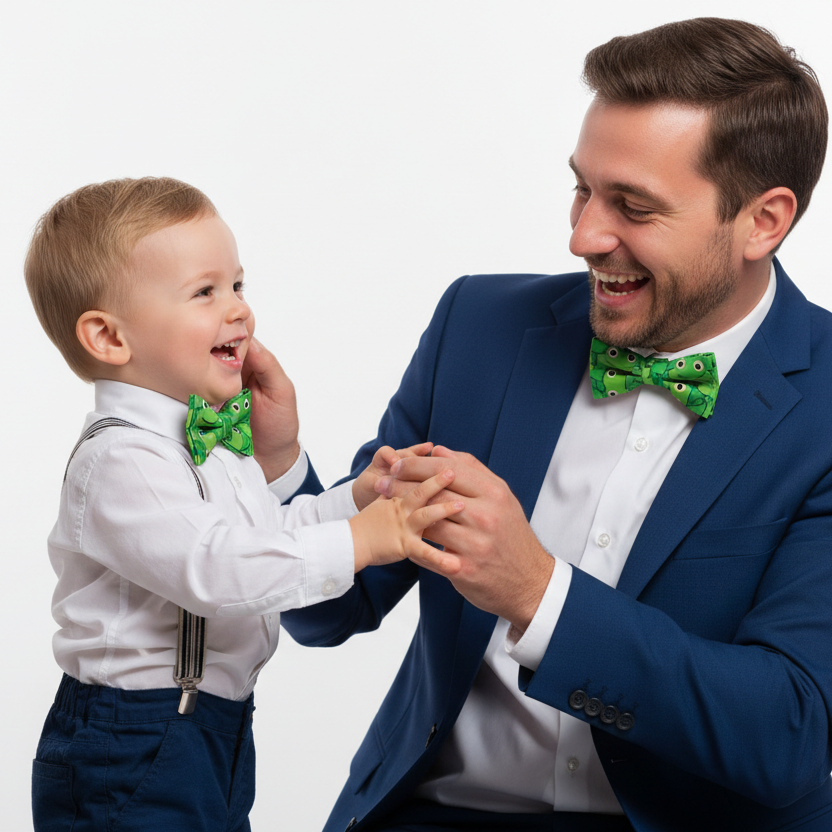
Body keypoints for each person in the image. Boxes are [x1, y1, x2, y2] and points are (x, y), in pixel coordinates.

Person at [273, 18, 832, 831]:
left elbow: (787, 736)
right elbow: (325, 614)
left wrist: (537, 591)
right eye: (583, 189)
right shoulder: (480, 326)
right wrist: (283, 465)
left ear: (764, 221)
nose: (583, 237)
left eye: (633, 206)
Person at [25, 177, 462, 832]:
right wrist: (366, 539)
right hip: (131, 736)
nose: (238, 311)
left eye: (238, 285)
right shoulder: (121, 461)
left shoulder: (213, 446)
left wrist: (358, 501)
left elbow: (269, 535)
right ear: (110, 339)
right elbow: (221, 571)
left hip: (212, 728)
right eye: (205, 292)